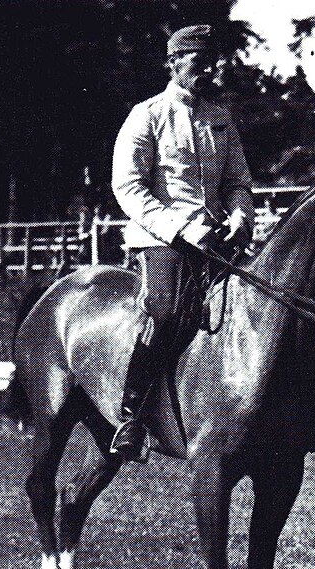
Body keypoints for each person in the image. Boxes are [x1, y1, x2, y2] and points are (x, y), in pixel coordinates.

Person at [110, 24, 254, 460]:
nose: (209, 70)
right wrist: (182, 229)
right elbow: (128, 187)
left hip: (218, 239)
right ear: (173, 63)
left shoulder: (220, 117)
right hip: (163, 239)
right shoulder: (147, 115)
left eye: (212, 62)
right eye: (199, 61)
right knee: (168, 310)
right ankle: (132, 417)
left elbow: (238, 181)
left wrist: (241, 215)